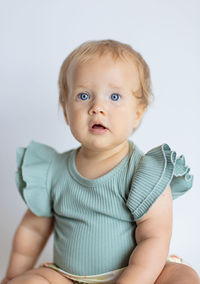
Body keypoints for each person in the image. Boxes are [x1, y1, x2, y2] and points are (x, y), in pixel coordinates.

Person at [1, 39, 199, 284]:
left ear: (137, 113)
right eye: (83, 95)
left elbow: (154, 238)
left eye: (114, 96)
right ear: (65, 111)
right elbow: (32, 230)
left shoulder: (143, 172)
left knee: (184, 277)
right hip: (69, 278)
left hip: (137, 274)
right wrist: (13, 276)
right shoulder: (52, 171)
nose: (97, 108)